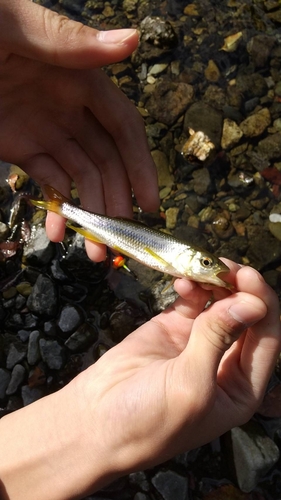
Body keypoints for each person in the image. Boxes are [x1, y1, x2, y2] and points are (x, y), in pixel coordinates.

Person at [0, 1, 280, 500]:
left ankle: (55, 206)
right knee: (97, 229)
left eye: (209, 265)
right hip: (108, 227)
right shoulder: (182, 261)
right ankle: (53, 205)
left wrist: (95, 433)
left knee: (98, 229)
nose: (211, 270)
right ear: (195, 262)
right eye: (208, 264)